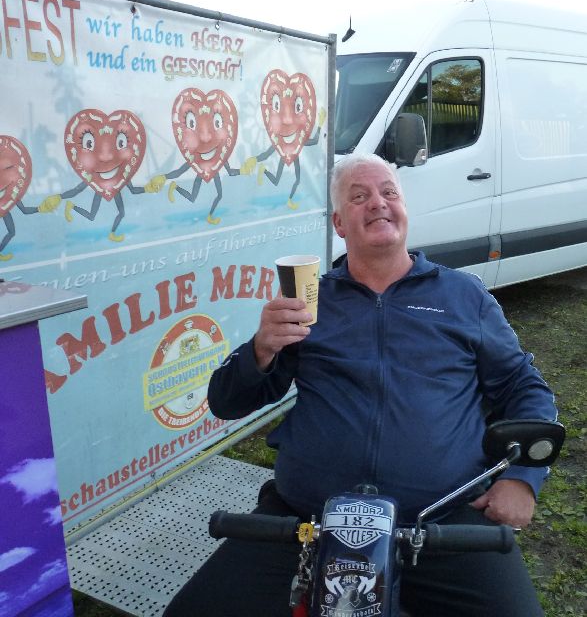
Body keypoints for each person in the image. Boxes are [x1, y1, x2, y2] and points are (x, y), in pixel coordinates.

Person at [164, 153, 557, 617]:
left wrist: (522, 478)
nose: (378, 203)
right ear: (338, 223)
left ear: (404, 209)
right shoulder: (309, 303)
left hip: (441, 520)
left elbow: (523, 387)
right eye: (359, 196)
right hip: (306, 519)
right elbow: (225, 402)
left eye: (389, 192)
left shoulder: (463, 295)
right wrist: (261, 349)